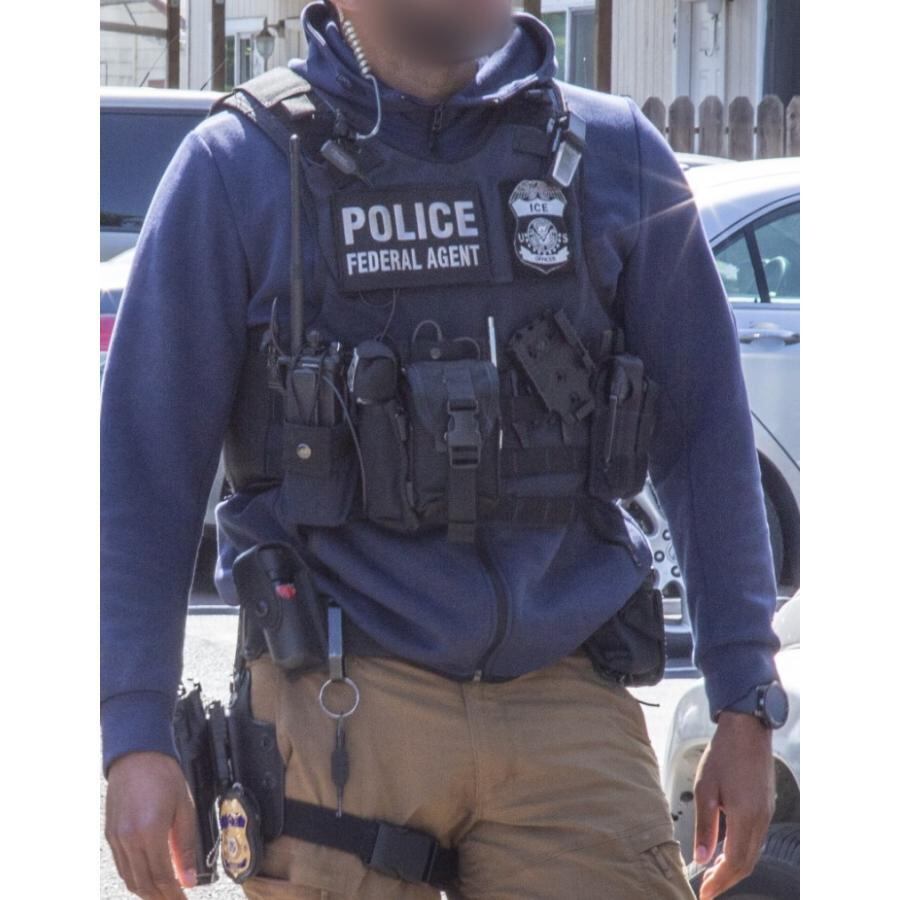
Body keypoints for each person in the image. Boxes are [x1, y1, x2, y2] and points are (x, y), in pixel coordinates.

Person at [101, 1, 786, 898]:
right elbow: (144, 472)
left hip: (565, 691)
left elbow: (705, 437)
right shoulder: (242, 166)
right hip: (336, 695)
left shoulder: (613, 155)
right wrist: (135, 733)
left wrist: (744, 695)